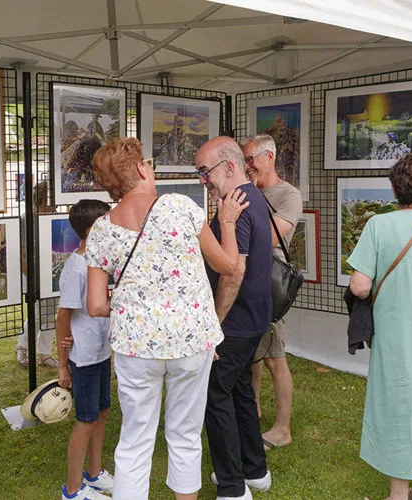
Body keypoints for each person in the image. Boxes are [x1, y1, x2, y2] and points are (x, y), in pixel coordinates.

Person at [86, 137, 247, 500]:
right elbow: (228, 266)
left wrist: (136, 304)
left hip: (135, 345)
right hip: (191, 339)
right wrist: (228, 223)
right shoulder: (180, 206)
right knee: (186, 434)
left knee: (135, 438)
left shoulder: (100, 229)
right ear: (142, 169)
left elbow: (95, 305)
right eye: (149, 162)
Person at [348, 152, 412, 500]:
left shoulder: (379, 225)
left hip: (397, 336)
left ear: (395, 188)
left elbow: (360, 286)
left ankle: (398, 494)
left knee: (398, 404)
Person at [197, 136, 272, 500]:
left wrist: (214, 325)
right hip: (253, 318)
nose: (202, 180)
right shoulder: (254, 195)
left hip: (235, 322)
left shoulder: (235, 202)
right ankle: (254, 469)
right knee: (240, 390)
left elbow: (233, 272)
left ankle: (232, 486)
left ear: (228, 167)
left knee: (216, 395)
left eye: (204, 171)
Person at [239, 134, 302, 451]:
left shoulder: (288, 194)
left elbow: (270, 240)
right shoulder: (245, 192)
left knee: (275, 357)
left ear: (269, 158)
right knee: (252, 356)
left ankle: (282, 428)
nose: (247, 166)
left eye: (251, 159)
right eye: (244, 160)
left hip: (269, 286)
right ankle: (254, 411)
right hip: (245, 282)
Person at [56, 199, 113, 500]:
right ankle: (73, 490)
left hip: (101, 351)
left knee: (101, 411)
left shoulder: (96, 261)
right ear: (94, 229)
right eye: (108, 220)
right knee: (86, 419)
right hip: (84, 357)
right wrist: (63, 364)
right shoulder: (76, 268)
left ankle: (94, 473)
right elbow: (63, 316)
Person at [16, 181, 58, 368]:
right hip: (33, 274)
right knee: (35, 314)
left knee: (49, 314)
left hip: (52, 272)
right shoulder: (26, 220)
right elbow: (22, 254)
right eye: (51, 204)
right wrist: (31, 278)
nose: (54, 208)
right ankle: (22, 347)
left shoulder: (54, 217)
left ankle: (45, 354)